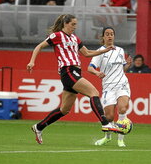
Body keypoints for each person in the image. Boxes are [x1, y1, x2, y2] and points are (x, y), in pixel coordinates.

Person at [27, 14, 123, 144]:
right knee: (93, 92)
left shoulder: (75, 38)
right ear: (65, 23)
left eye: (75, 24)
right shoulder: (57, 36)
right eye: (72, 24)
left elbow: (87, 53)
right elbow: (39, 46)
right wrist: (32, 62)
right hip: (68, 71)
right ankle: (105, 123)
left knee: (64, 110)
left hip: (75, 72)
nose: (74, 27)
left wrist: (104, 51)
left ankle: (38, 127)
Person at [88, 26, 132, 147]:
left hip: (122, 84)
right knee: (109, 116)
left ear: (114, 36)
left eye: (111, 34)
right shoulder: (99, 52)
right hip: (108, 87)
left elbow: (123, 69)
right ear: (103, 37)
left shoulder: (120, 50)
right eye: (107, 34)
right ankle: (107, 138)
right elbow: (90, 68)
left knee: (123, 109)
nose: (109, 36)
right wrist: (97, 73)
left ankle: (121, 140)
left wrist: (127, 65)